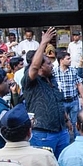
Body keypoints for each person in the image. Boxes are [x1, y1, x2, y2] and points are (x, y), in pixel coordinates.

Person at [22, 27, 72, 158]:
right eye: (49, 63)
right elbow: (33, 66)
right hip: (43, 134)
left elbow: (58, 101)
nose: (52, 65)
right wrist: (43, 43)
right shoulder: (31, 81)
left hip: (61, 131)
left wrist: (67, 120)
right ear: (40, 66)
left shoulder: (52, 79)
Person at [53, 51, 83, 139]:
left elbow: (79, 84)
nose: (70, 60)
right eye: (68, 59)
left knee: (75, 122)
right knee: (63, 123)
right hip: (61, 102)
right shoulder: (54, 72)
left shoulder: (73, 70)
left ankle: (76, 141)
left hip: (73, 101)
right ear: (61, 60)